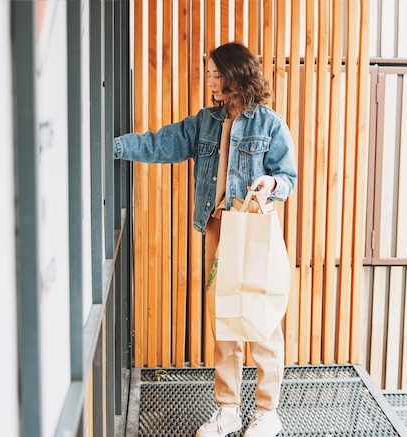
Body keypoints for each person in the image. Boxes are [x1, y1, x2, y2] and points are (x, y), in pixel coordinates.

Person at [113, 41, 297, 437]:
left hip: (253, 229)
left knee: (261, 319)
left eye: (216, 73)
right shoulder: (204, 122)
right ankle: (227, 409)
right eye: (209, 73)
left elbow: (288, 178)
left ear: (237, 74)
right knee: (225, 317)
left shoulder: (269, 123)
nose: (210, 80)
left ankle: (267, 412)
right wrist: (113, 148)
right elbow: (160, 144)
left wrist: (271, 183)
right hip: (218, 230)